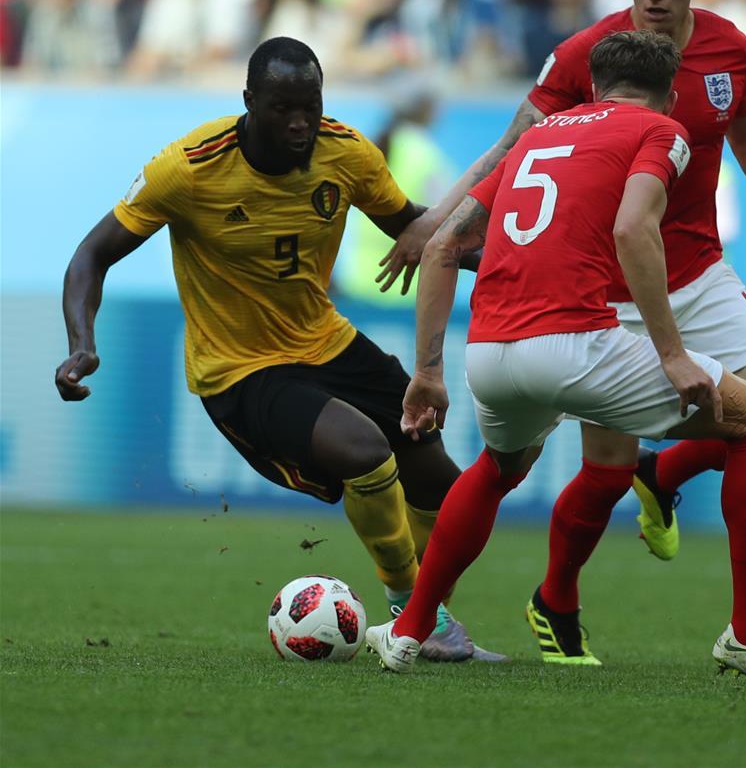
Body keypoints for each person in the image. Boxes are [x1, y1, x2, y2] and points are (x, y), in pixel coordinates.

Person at [375, 0, 746, 663]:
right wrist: (435, 222)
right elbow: (514, 146)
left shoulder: (730, 51)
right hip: (607, 289)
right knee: (599, 468)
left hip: (696, 272)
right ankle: (556, 595)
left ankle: (665, 473)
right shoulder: (588, 56)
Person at [53, 36, 503, 664]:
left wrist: (514, 257)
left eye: (310, 106)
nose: (300, 122)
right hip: (238, 370)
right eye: (283, 107)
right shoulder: (188, 168)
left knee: (447, 488)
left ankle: (429, 618)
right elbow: (91, 255)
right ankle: (411, 616)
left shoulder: (347, 153)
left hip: (327, 342)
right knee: (366, 452)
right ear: (249, 101)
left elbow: (416, 228)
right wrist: (81, 344)